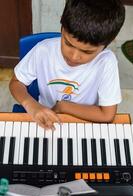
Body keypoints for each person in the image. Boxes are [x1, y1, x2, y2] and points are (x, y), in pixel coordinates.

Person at [9, 0, 125, 130]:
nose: (74, 57)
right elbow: (16, 82)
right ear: (62, 28)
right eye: (69, 44)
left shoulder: (106, 62)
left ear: (106, 45)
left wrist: (64, 106)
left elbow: (107, 115)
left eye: (87, 52)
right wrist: (31, 105)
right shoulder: (43, 50)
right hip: (45, 116)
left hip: (85, 121)